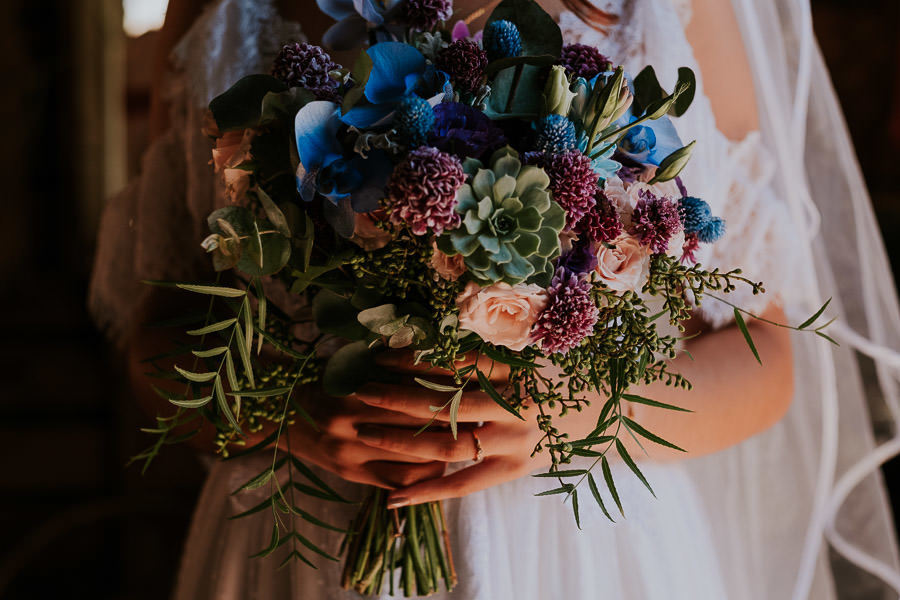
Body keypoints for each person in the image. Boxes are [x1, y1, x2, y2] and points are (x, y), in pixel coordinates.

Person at [89, 0, 900, 597]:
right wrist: (289, 410)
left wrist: (571, 417)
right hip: (305, 539)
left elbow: (769, 357)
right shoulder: (222, 10)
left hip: (579, 549)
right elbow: (155, 335)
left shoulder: (677, 9)